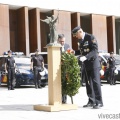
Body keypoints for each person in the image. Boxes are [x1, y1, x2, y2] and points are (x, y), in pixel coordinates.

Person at [72, 26, 103, 109]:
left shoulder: (90, 37)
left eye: (76, 35)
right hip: (86, 65)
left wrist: (86, 57)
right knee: (88, 83)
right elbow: (83, 51)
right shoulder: (81, 41)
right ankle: (91, 100)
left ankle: (99, 102)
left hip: (93, 63)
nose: (76, 37)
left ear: (80, 32)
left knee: (96, 82)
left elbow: (95, 50)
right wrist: (75, 52)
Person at [58, 34, 73, 104]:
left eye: (63, 41)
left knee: (65, 83)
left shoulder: (67, 46)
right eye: (61, 41)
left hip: (66, 68)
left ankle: (64, 99)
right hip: (58, 68)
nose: (62, 43)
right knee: (59, 84)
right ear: (58, 40)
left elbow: (71, 53)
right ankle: (59, 99)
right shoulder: (56, 47)